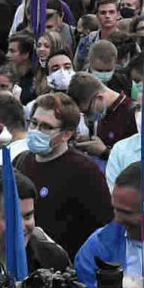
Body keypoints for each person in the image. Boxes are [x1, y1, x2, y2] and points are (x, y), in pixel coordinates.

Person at [14, 94, 112, 258]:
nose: (36, 131)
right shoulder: (20, 162)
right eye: (34, 123)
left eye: (46, 127)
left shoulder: (85, 171)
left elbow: (104, 229)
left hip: (67, 269)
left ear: (66, 134)